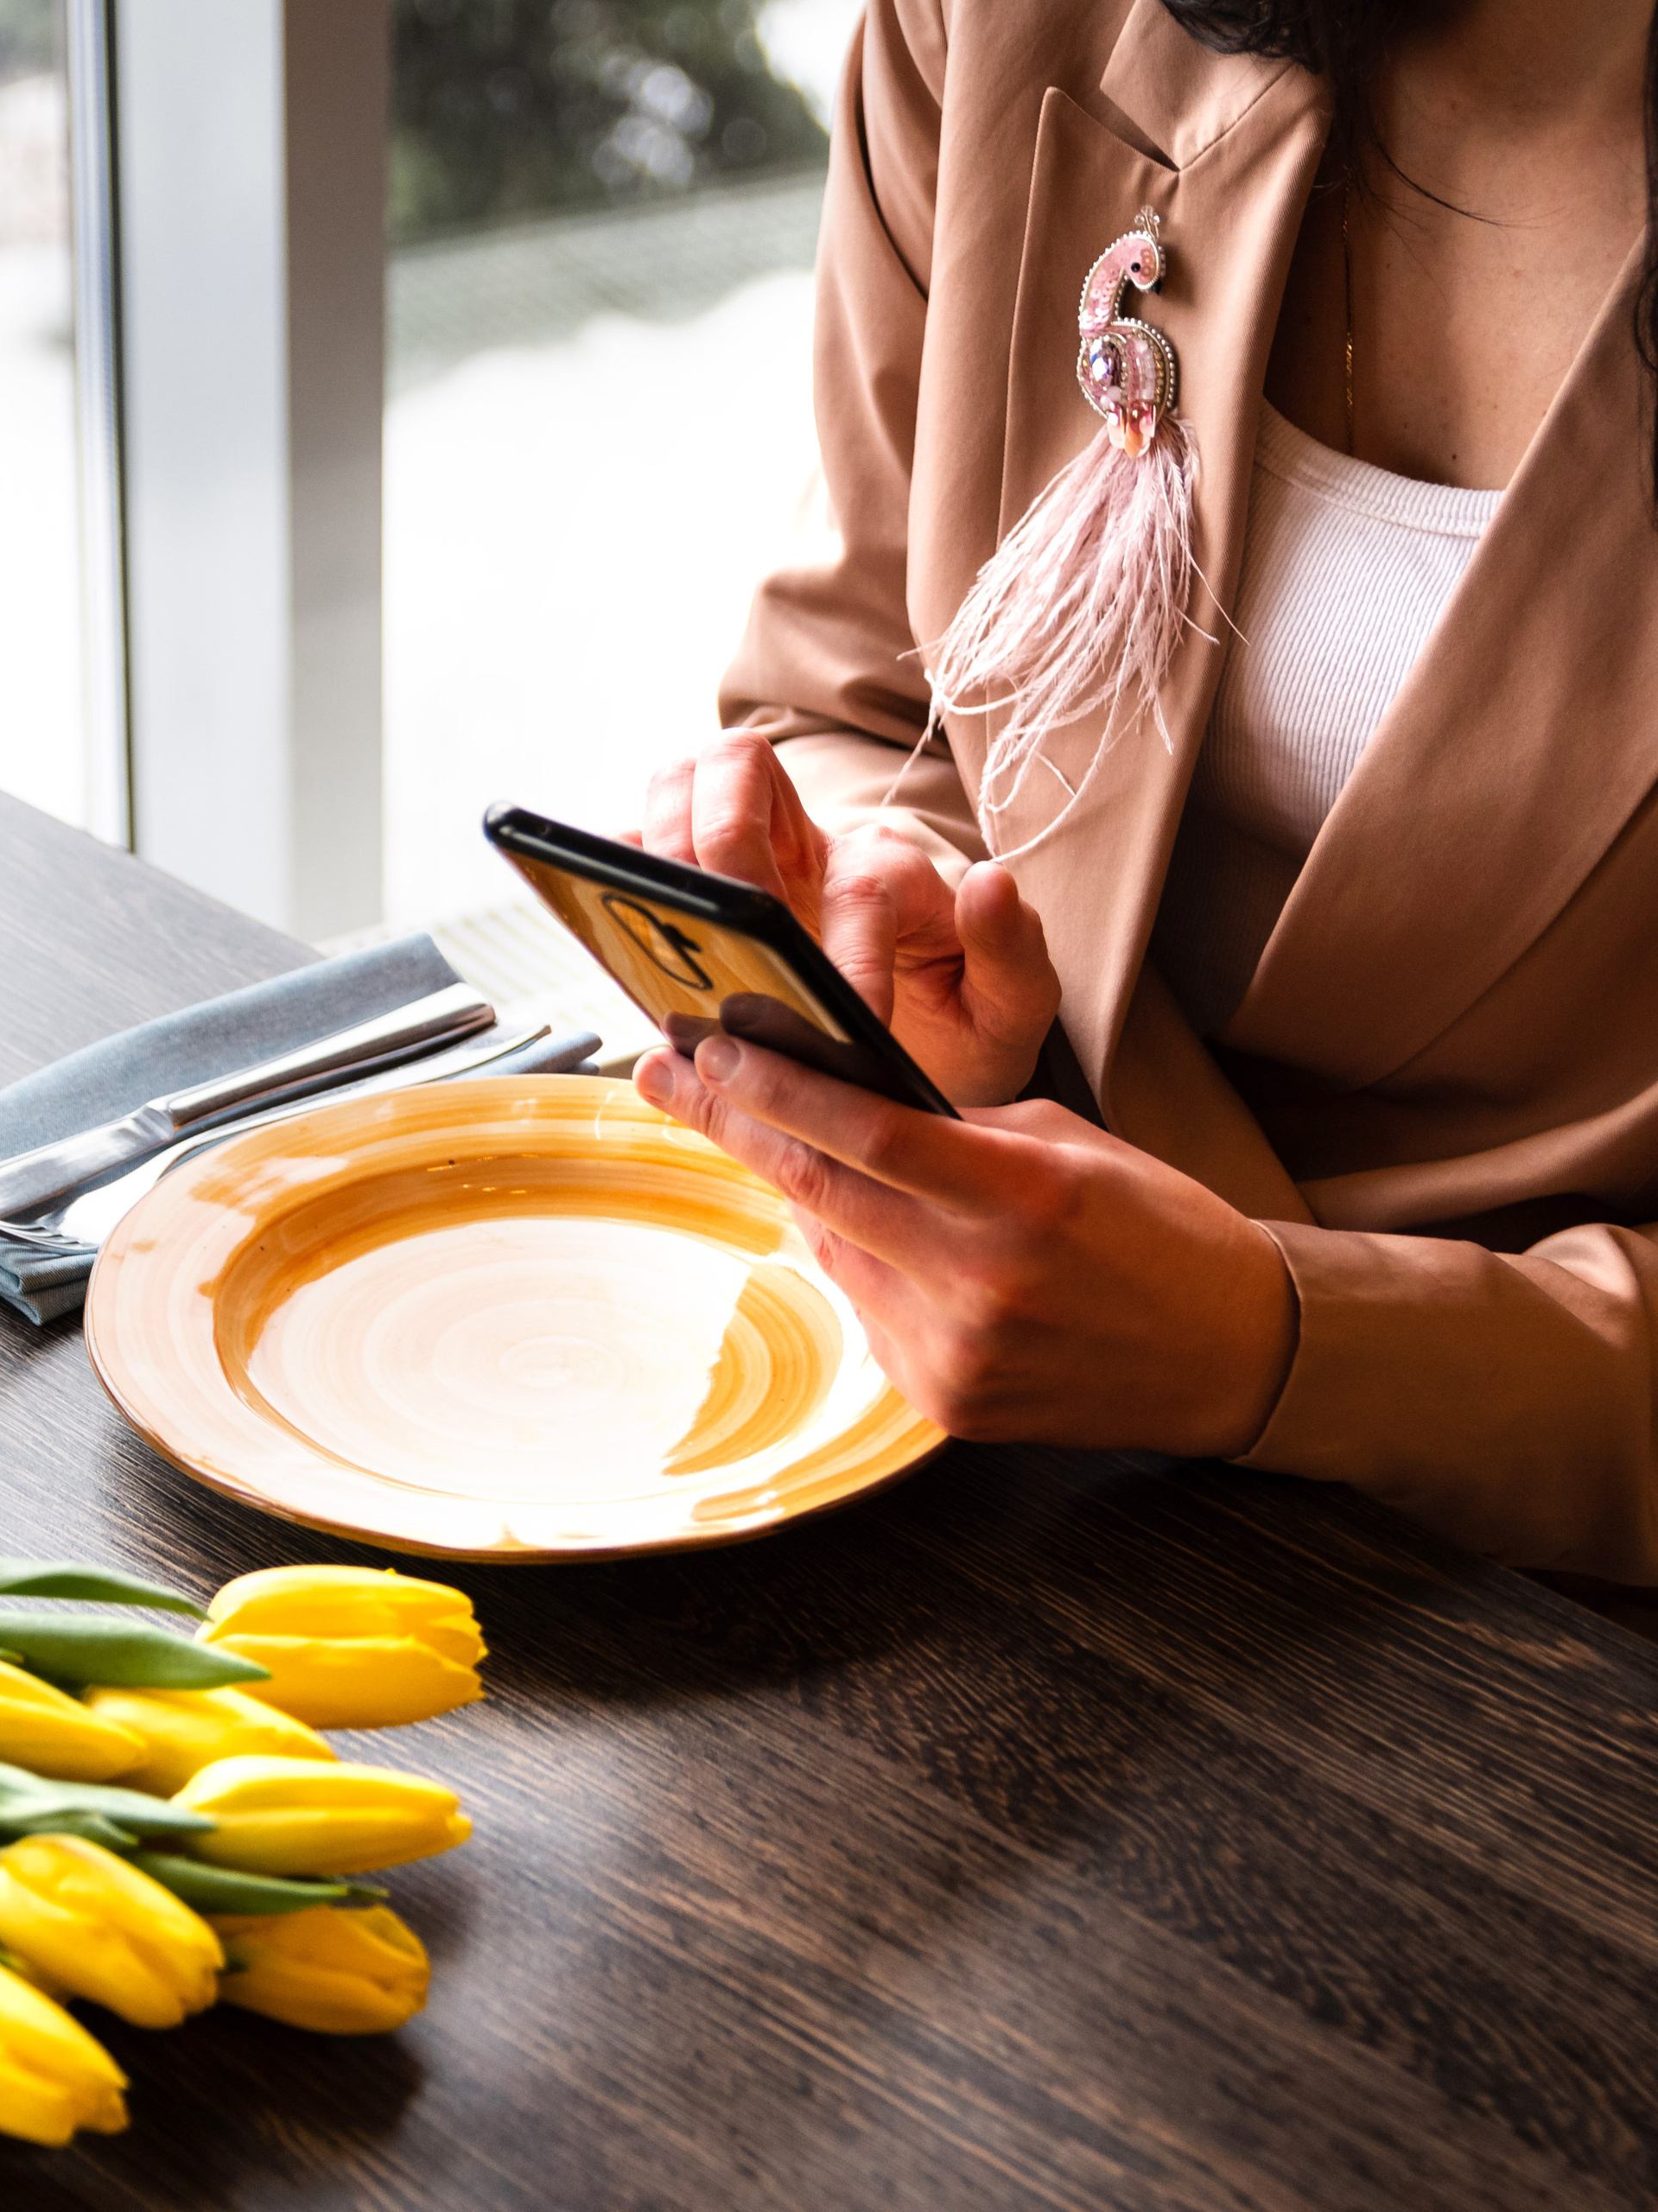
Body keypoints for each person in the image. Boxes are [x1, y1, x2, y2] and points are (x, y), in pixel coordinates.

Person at [632, 0, 1658, 1581]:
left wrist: (1286, 1342)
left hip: (1541, 1588)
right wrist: (877, 900)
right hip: (969, 1425)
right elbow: (855, 696)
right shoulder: (1001, 27)